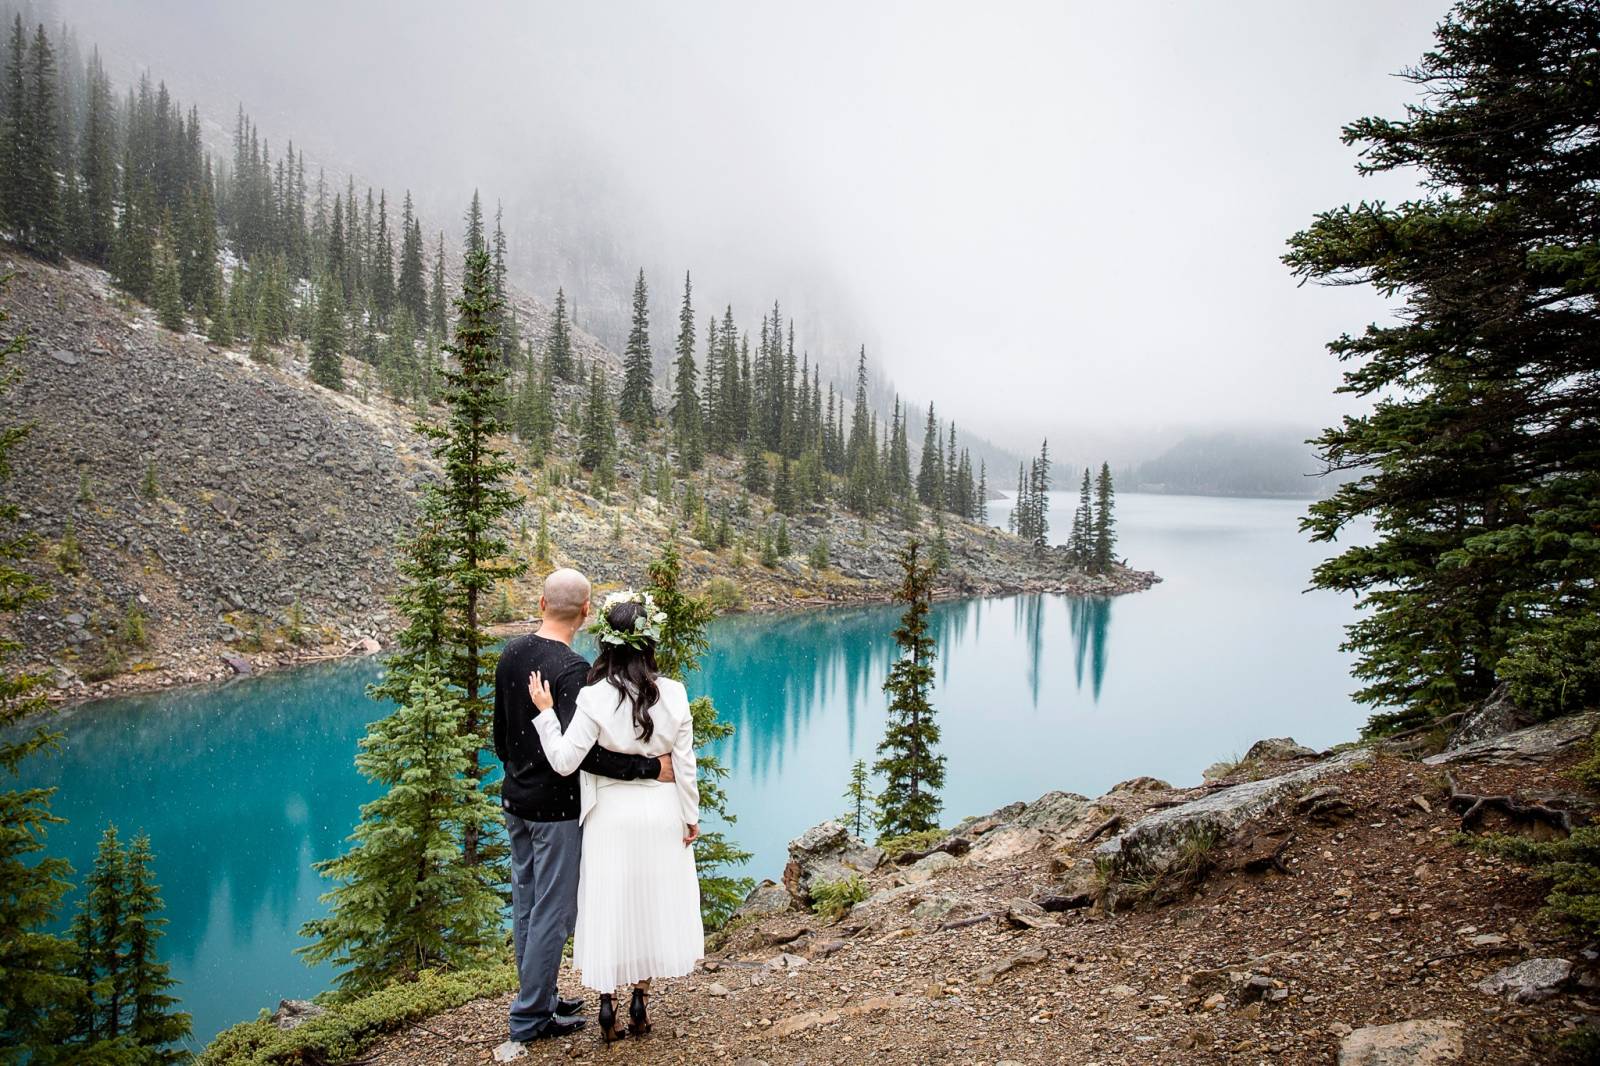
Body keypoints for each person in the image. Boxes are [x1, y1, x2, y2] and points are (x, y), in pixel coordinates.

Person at [492, 568, 676, 1047]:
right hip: (554, 809)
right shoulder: (572, 670)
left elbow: (499, 735)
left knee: (528, 903)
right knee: (553, 911)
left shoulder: (511, 653)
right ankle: (532, 1016)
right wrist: (651, 771)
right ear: (586, 612)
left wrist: (518, 774)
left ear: (540, 603)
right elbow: (586, 755)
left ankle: (541, 995)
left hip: (516, 798)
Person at [530, 588, 704, 1043]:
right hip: (661, 812)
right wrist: (691, 816)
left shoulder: (592, 697)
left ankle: (605, 1004)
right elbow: (684, 765)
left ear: (607, 643)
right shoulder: (675, 694)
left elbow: (566, 761)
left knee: (610, 905)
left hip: (609, 815)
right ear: (649, 642)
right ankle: (640, 1001)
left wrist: (547, 715)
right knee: (648, 906)